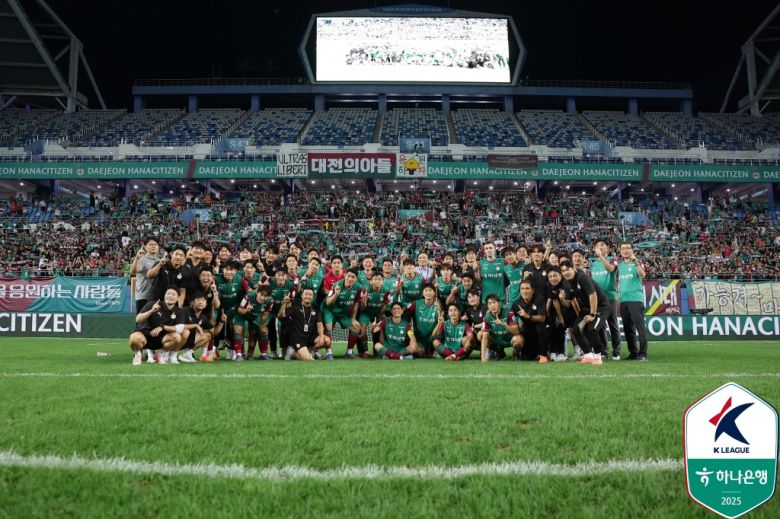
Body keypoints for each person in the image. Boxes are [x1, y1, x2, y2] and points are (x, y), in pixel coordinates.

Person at [560, 260, 610, 365]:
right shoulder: (568, 282)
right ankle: (588, 355)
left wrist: (592, 314)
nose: (565, 273)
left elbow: (593, 295)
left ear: (573, 268)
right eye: (563, 271)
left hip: (601, 307)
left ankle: (597, 357)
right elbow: (569, 303)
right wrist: (562, 299)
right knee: (576, 330)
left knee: (592, 330)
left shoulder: (582, 277)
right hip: (586, 309)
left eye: (567, 269)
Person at [128, 287, 185, 366]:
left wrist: (162, 327)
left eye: (173, 294)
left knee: (177, 337)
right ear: (164, 295)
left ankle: (161, 354)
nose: (170, 296)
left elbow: (180, 328)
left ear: (178, 298)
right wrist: (151, 311)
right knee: (133, 338)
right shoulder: (152, 304)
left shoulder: (179, 311)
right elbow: (137, 319)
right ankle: (137, 354)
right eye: (168, 293)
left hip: (161, 339)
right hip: (145, 336)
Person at [617, 242, 648, 361]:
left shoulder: (637, 262)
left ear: (632, 250)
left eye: (627, 248)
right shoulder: (619, 266)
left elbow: (642, 274)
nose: (625, 250)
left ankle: (643, 353)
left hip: (635, 299)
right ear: (620, 251)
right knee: (628, 328)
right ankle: (633, 352)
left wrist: (635, 262)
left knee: (640, 328)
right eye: (623, 248)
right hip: (623, 300)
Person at [278, 287, 329, 361]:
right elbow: (281, 315)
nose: (308, 296)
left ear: (313, 297)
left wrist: (321, 336)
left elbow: (320, 324)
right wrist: (284, 304)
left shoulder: (315, 308)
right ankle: (291, 352)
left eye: (310, 295)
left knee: (327, 340)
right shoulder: (295, 306)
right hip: (298, 339)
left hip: (310, 338)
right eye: (306, 294)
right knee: (306, 359)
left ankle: (311, 351)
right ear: (302, 296)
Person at [591, 239, 622, 360]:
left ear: (608, 248)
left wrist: (600, 256)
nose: (600, 247)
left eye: (602, 245)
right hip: (598, 299)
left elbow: (610, 269)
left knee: (613, 324)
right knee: (600, 325)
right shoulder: (593, 263)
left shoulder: (612, 260)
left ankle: (617, 351)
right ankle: (603, 351)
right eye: (597, 245)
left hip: (610, 297)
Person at [322, 268, 362, 359]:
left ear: (356, 279)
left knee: (356, 328)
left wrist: (353, 318)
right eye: (348, 276)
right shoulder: (336, 285)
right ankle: (329, 353)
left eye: (353, 277)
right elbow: (328, 302)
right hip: (330, 310)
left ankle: (349, 353)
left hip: (343, 313)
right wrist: (336, 294)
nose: (350, 279)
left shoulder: (359, 288)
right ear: (345, 276)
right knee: (328, 327)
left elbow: (356, 303)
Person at [179, 291, 226, 362]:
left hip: (188, 341)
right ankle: (169, 354)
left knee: (208, 335)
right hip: (177, 339)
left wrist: (221, 322)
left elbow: (214, 333)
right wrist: (195, 325)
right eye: (198, 300)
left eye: (203, 301)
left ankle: (188, 354)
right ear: (193, 302)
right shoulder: (185, 310)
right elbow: (178, 326)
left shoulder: (203, 318)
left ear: (206, 304)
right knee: (186, 332)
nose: (200, 302)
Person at [511, 280, 548, 362]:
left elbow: (542, 318)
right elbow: (510, 317)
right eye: (522, 289)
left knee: (540, 326)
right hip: (527, 332)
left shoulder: (539, 299)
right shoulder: (517, 304)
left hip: (541, 332)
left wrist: (528, 316)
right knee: (527, 357)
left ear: (533, 290)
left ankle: (543, 354)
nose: (524, 291)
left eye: (527, 288)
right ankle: (517, 352)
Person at [479, 293, 521, 363]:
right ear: (487, 306)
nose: (492, 305)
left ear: (499, 303)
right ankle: (498, 351)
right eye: (489, 303)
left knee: (519, 339)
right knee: (480, 335)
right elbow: (485, 338)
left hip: (510, 339)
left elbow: (516, 331)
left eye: (494, 302)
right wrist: (482, 357)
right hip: (497, 340)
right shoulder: (487, 317)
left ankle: (515, 354)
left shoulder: (509, 312)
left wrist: (503, 324)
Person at [545, 266, 575, 362]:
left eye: (555, 276)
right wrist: (560, 316)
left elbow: (568, 304)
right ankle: (553, 352)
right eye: (550, 276)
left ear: (561, 275)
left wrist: (562, 299)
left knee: (560, 328)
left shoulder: (566, 285)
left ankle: (562, 353)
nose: (553, 278)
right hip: (556, 310)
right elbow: (554, 301)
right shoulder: (549, 285)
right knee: (552, 328)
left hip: (569, 309)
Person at [404, 283, 441, 357]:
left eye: (430, 290)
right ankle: (425, 351)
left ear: (434, 293)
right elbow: (405, 318)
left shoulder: (438, 305)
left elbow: (441, 322)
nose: (428, 292)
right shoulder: (416, 304)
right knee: (418, 352)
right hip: (418, 338)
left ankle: (432, 349)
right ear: (423, 293)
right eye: (426, 290)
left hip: (433, 337)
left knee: (441, 326)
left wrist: (439, 310)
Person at [130, 236, 162, 314]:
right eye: (150, 244)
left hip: (155, 296)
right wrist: (137, 258)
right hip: (143, 296)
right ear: (144, 246)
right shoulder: (142, 259)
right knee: (141, 322)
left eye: (155, 244)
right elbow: (133, 272)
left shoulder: (160, 261)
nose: (153, 246)